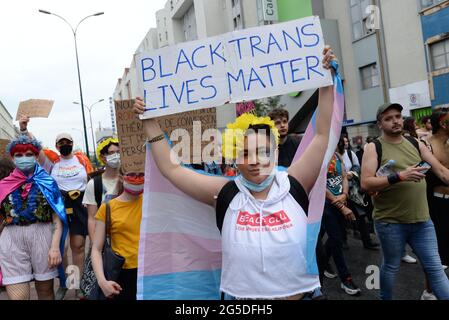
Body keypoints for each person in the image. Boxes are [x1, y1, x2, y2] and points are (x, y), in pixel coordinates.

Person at [133, 46, 337, 300]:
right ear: (234, 158)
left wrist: (325, 79)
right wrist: (148, 118)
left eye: (263, 152)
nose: (254, 161)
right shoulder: (226, 193)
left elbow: (321, 134)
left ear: (274, 153)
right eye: (245, 153)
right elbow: (171, 169)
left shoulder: (294, 183)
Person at [361, 102, 449, 300]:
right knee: (391, 266)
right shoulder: (373, 147)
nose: (395, 121)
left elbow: (442, 172)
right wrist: (399, 176)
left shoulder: (415, 143)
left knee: (435, 268)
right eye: (388, 118)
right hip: (390, 222)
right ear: (380, 124)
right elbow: (366, 183)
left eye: (398, 116)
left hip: (422, 221)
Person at [18, 115, 92, 300]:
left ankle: (78, 286)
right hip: (58, 204)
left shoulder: (82, 160)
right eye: (61, 142)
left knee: (78, 246)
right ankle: (64, 283)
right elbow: (36, 146)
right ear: (57, 146)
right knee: (61, 246)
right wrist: (24, 129)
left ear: (72, 143)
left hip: (80, 204)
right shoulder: (52, 161)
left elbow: (91, 180)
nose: (64, 144)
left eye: (67, 141)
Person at [0, 135, 67, 300]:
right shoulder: (3, 185)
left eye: (29, 154)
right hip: (11, 239)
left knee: (45, 292)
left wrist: (54, 247)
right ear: (12, 158)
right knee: (18, 297)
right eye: (19, 155)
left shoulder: (48, 182)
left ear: (37, 156)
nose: (24, 159)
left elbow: (57, 219)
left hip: (42, 237)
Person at [91, 171, 143, 300]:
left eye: (141, 174)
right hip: (122, 274)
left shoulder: (152, 203)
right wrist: (103, 282)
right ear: (121, 177)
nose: (137, 178)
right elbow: (96, 249)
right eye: (132, 174)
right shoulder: (107, 208)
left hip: (150, 271)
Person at [321, 150, 361, 295]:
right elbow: (319, 184)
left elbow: (344, 176)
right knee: (337, 240)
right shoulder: (318, 156)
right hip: (326, 204)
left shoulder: (337, 155)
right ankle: (346, 279)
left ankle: (322, 262)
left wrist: (344, 194)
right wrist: (341, 206)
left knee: (335, 237)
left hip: (341, 200)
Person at [422, 108, 449, 299]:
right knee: (435, 250)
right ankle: (428, 290)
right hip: (436, 204)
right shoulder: (427, 146)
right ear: (442, 123)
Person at [338, 136, 379, 250]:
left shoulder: (350, 154)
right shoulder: (331, 156)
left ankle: (367, 241)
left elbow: (357, 167)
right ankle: (343, 241)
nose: (343, 145)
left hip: (353, 191)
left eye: (344, 142)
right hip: (339, 192)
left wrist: (352, 173)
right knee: (341, 218)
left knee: (361, 216)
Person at [82, 137, 120, 241]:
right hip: (107, 239)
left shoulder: (130, 180)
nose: (116, 156)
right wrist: (95, 248)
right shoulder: (93, 184)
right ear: (103, 157)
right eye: (111, 153)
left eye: (118, 152)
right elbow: (92, 218)